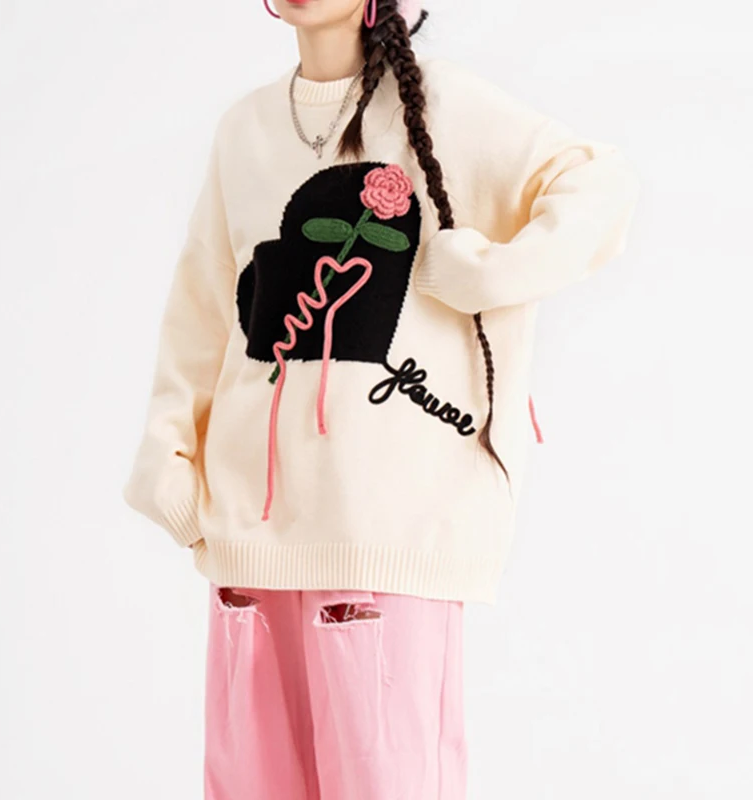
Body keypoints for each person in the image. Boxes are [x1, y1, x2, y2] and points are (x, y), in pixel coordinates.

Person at [121, 1, 640, 797]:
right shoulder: (244, 129)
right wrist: (168, 452)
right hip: (250, 546)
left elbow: (601, 183)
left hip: (387, 539)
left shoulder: (444, 105)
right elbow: (204, 308)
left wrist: (493, 273)